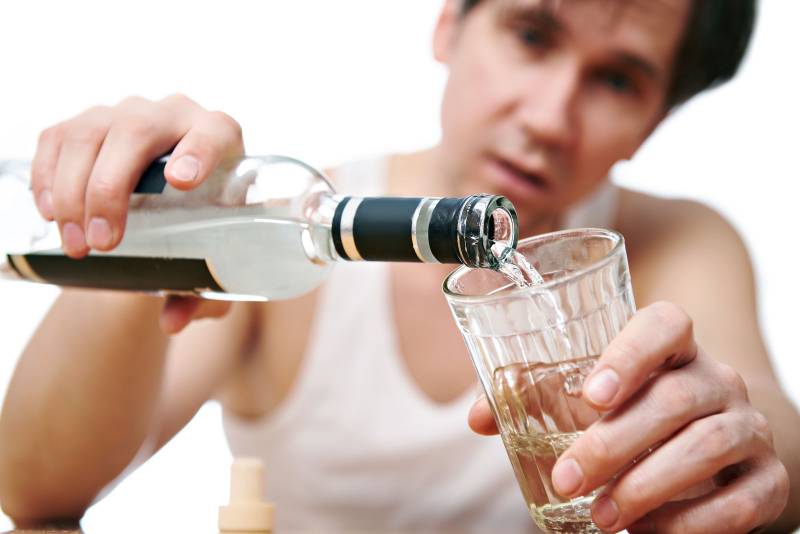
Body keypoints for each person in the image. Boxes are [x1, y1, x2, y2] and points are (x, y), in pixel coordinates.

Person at [0, 0, 796, 532]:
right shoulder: (278, 229)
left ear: (653, 123)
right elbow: (35, 488)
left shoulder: (667, 245)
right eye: (531, 35)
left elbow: (774, 434)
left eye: (617, 79)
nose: (550, 118)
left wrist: (740, 449)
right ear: (449, 23)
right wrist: (142, 228)